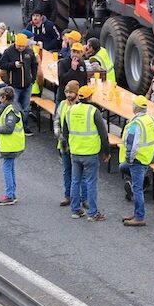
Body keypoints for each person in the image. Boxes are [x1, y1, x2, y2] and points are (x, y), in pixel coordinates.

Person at [61, 83, 107, 221]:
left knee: (75, 181)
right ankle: (93, 213)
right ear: (90, 96)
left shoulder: (69, 111)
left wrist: (66, 150)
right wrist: (107, 152)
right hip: (90, 153)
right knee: (91, 182)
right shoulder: (93, 111)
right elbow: (103, 134)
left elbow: (65, 133)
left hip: (75, 152)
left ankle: (75, 210)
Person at [120, 96, 154, 226]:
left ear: (135, 107)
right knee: (124, 169)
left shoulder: (136, 124)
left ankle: (139, 217)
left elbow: (132, 144)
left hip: (137, 159)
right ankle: (137, 213)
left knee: (137, 189)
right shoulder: (150, 119)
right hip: (147, 156)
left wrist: (130, 159)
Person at [0, 85, 25, 206]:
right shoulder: (9, 108)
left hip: (11, 144)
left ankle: (9, 195)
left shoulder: (11, 111)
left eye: (0, 97)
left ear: (5, 97)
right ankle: (11, 193)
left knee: (7, 168)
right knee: (10, 167)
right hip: (11, 144)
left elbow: (8, 129)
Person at [0, 32, 38, 133]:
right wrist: (13, 65)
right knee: (15, 107)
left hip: (27, 85)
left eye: (23, 46)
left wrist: (33, 79)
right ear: (15, 44)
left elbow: (34, 65)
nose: (21, 48)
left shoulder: (29, 51)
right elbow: (2, 65)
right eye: (19, 46)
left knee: (25, 108)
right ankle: (12, 126)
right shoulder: (9, 52)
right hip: (14, 85)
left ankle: (24, 126)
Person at [53, 80, 81, 207]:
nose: (68, 94)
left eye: (71, 92)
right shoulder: (62, 105)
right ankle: (68, 196)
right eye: (66, 92)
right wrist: (60, 137)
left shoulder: (80, 106)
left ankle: (82, 198)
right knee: (67, 171)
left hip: (77, 145)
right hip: (64, 145)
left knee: (81, 173)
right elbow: (57, 121)